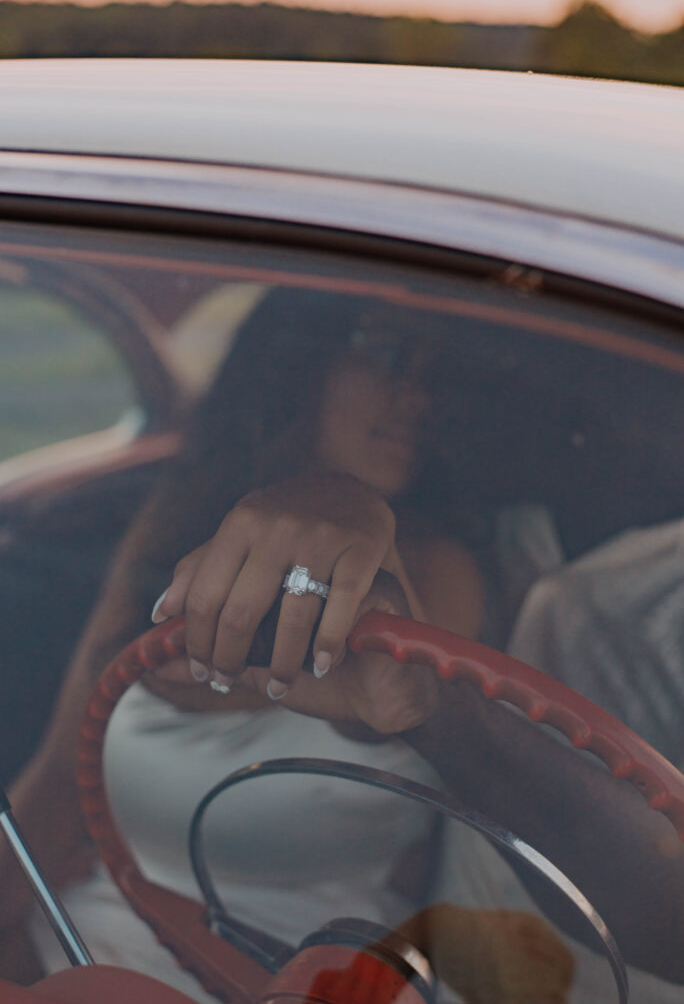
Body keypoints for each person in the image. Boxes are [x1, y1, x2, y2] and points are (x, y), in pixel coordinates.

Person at [1, 287, 682, 1000]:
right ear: (296, 363)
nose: (415, 395)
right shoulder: (167, 531)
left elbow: (416, 727)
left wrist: (348, 509)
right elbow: (49, 799)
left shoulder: (435, 578)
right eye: (384, 352)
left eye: (431, 372)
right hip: (73, 956)